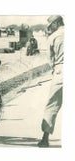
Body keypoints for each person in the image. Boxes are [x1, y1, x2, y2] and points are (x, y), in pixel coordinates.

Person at [37, 15, 64, 147]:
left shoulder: (53, 37)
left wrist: (56, 70)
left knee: (52, 105)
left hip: (61, 71)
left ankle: (45, 139)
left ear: (56, 23)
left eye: (51, 25)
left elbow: (50, 59)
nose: (50, 28)